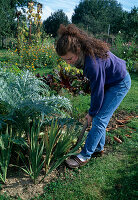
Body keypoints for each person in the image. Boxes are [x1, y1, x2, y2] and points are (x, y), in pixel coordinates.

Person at [56, 24, 131, 169]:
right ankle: (98, 148)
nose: (68, 63)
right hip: (110, 81)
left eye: (69, 59)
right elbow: (99, 86)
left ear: (77, 51)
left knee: (100, 118)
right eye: (65, 60)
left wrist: (91, 113)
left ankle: (85, 155)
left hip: (120, 83)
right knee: (99, 117)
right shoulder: (84, 53)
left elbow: (97, 91)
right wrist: (93, 112)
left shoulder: (92, 64)